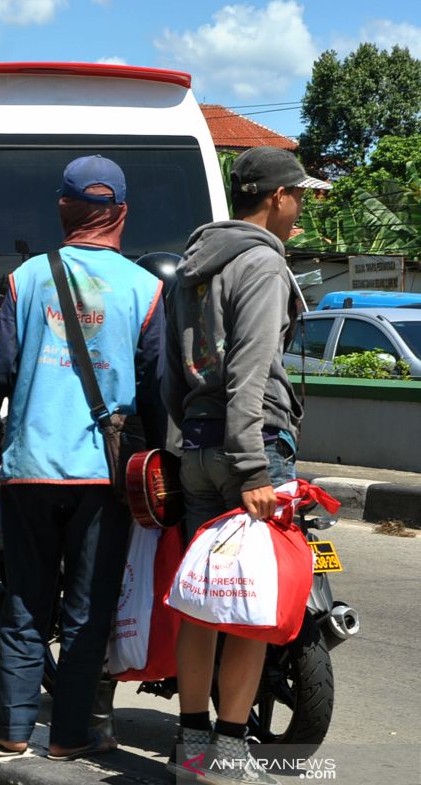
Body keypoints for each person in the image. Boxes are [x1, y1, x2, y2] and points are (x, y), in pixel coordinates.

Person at [0, 155, 164, 760]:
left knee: (26, 603)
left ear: (62, 209)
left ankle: (11, 731)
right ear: (122, 214)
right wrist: (156, 465)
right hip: (105, 477)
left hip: (29, 469)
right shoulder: (146, 288)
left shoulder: (27, 278)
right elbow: (157, 390)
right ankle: (69, 738)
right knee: (87, 610)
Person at [163, 146, 330, 785]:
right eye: (300, 198)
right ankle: (228, 757)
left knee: (205, 602)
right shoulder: (260, 261)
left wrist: (195, 443)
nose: (302, 210)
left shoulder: (193, 265)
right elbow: (250, 369)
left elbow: (176, 369)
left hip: (198, 446)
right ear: (277, 197)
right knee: (251, 606)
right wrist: (255, 469)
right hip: (249, 445)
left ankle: (192, 749)